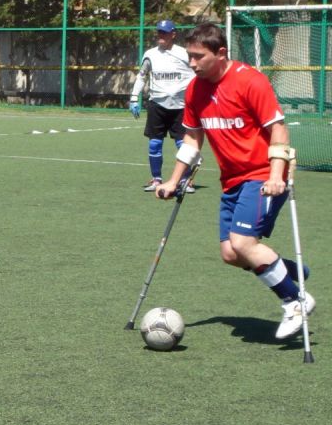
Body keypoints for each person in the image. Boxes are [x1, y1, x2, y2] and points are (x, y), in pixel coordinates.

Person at [155, 22, 315, 340]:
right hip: (231, 180)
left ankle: (295, 301)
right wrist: (173, 180)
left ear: (221, 53)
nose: (192, 63)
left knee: (243, 243)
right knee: (231, 254)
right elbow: (192, 138)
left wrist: (275, 176)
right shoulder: (195, 89)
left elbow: (278, 129)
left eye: (199, 57)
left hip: (263, 175)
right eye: (189, 56)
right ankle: (289, 271)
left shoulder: (250, 81)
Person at [129, 19, 195, 192]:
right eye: (159, 32)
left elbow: (197, 74)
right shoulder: (150, 54)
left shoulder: (184, 53)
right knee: (154, 144)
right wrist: (134, 98)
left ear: (173, 34)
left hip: (181, 106)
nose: (161, 35)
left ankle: (185, 180)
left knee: (183, 144)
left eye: (164, 32)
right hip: (157, 105)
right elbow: (142, 76)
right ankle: (156, 179)